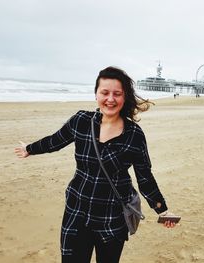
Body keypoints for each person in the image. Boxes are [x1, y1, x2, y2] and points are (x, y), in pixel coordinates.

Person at [14, 66, 177, 263]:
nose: (110, 99)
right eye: (105, 92)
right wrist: (30, 149)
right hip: (77, 211)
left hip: (112, 216)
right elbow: (55, 141)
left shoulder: (134, 134)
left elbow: (145, 177)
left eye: (117, 94)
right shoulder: (81, 121)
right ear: (96, 94)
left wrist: (162, 209)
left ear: (124, 97)